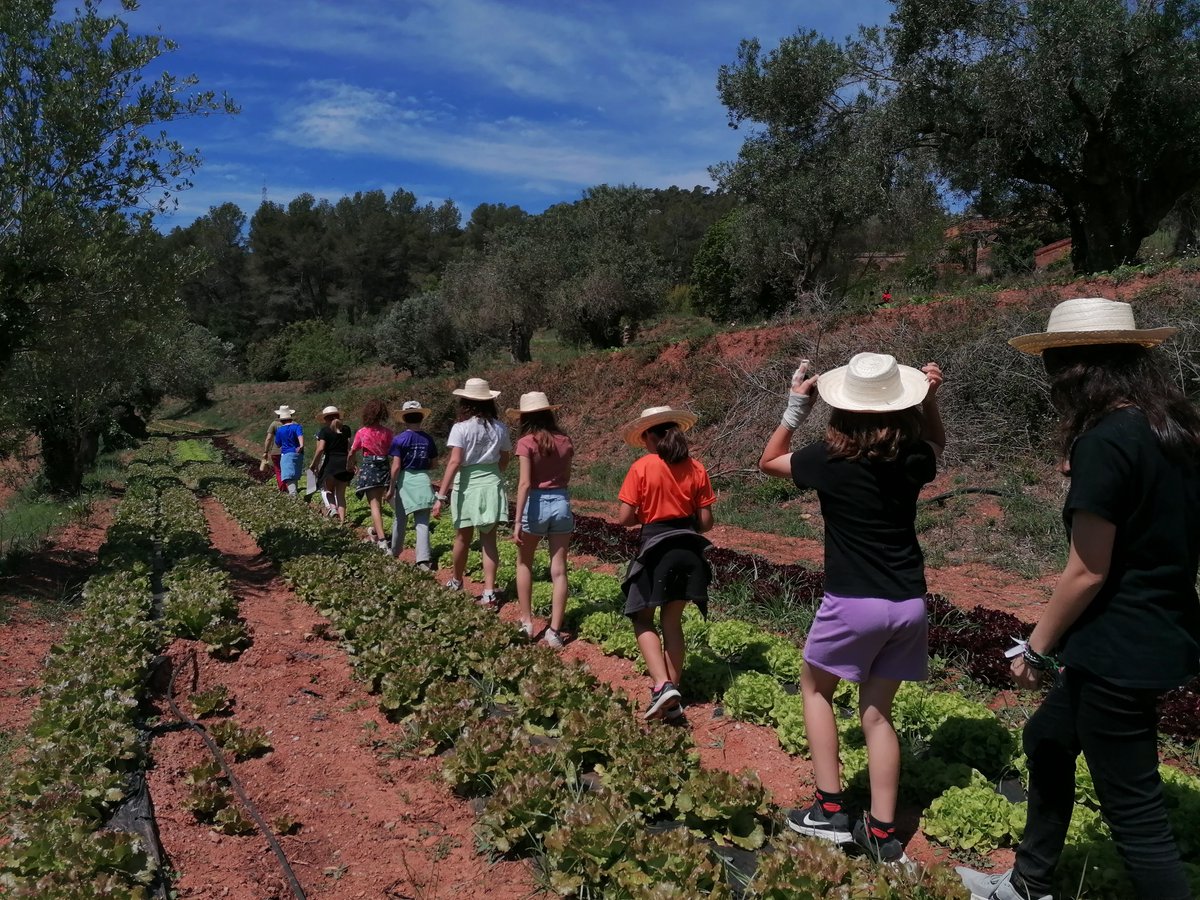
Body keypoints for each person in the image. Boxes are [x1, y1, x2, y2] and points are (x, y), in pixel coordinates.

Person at [957, 297, 1200, 900]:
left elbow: (1087, 571)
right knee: (1048, 737)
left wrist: (1035, 649)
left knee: (1136, 813)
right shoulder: (1174, 431)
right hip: (1158, 627)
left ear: (1074, 371)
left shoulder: (1107, 441)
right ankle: (1030, 881)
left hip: (1117, 645)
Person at [758, 352, 944, 865]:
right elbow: (936, 443)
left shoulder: (828, 459)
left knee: (815, 688)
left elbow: (769, 460)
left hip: (853, 602)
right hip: (907, 603)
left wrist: (795, 407)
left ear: (841, 408)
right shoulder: (912, 458)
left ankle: (830, 809)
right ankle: (883, 835)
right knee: (878, 713)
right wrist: (931, 403)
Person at [617, 405, 716, 721]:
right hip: (689, 550)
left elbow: (625, 518)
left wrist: (648, 512)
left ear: (649, 436)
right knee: (672, 622)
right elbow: (706, 521)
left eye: (644, 437)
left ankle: (662, 686)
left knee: (641, 616)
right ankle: (672, 695)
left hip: (657, 549)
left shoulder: (643, 466)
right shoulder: (696, 468)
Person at [432, 378, 511, 607]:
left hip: (466, 485)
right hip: (492, 484)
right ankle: (489, 591)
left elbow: (455, 461)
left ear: (465, 401)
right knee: (489, 541)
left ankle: (456, 581)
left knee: (462, 539)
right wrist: (492, 474)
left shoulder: (461, 428)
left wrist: (441, 495)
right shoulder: (500, 428)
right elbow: (505, 458)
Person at [509, 391, 574, 647]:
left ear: (525, 417)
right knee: (559, 570)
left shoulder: (526, 442)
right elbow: (567, 477)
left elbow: (524, 483)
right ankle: (555, 632)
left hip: (534, 504)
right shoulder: (565, 440)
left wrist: (516, 521)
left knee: (524, 564)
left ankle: (526, 622)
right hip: (561, 502)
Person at [387, 400, 438, 569]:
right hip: (423, 480)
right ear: (421, 418)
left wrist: (391, 487)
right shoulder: (428, 439)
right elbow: (434, 463)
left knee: (400, 518)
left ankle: (394, 551)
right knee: (422, 521)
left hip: (405, 480)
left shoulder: (399, 439)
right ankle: (423, 559)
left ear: (405, 419)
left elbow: (396, 466)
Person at [348, 399, 395, 553]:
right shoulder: (387, 432)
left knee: (374, 505)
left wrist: (351, 464)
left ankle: (382, 541)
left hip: (369, 466)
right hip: (384, 467)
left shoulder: (362, 432)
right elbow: (393, 452)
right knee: (379, 504)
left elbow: (353, 451)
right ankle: (375, 533)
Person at [309, 405, 352, 523]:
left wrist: (314, 464)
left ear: (326, 419)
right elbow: (349, 448)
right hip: (344, 464)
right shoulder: (346, 429)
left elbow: (320, 449)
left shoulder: (325, 431)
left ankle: (333, 509)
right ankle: (342, 522)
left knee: (327, 491)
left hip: (331, 464)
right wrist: (352, 463)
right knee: (341, 496)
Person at [273, 406, 305, 498]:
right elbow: (300, 437)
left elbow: (278, 444)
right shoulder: (297, 427)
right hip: (298, 454)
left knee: (289, 476)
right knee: (295, 474)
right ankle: (294, 492)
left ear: (280, 419)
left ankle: (293, 494)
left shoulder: (280, 430)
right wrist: (301, 446)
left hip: (287, 454)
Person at [262, 412, 286, 492]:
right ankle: (291, 489)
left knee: (279, 470)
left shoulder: (274, 424)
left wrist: (266, 451)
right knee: (288, 470)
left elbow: (269, 439)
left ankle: (283, 489)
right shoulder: (294, 424)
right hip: (289, 451)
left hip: (276, 451)